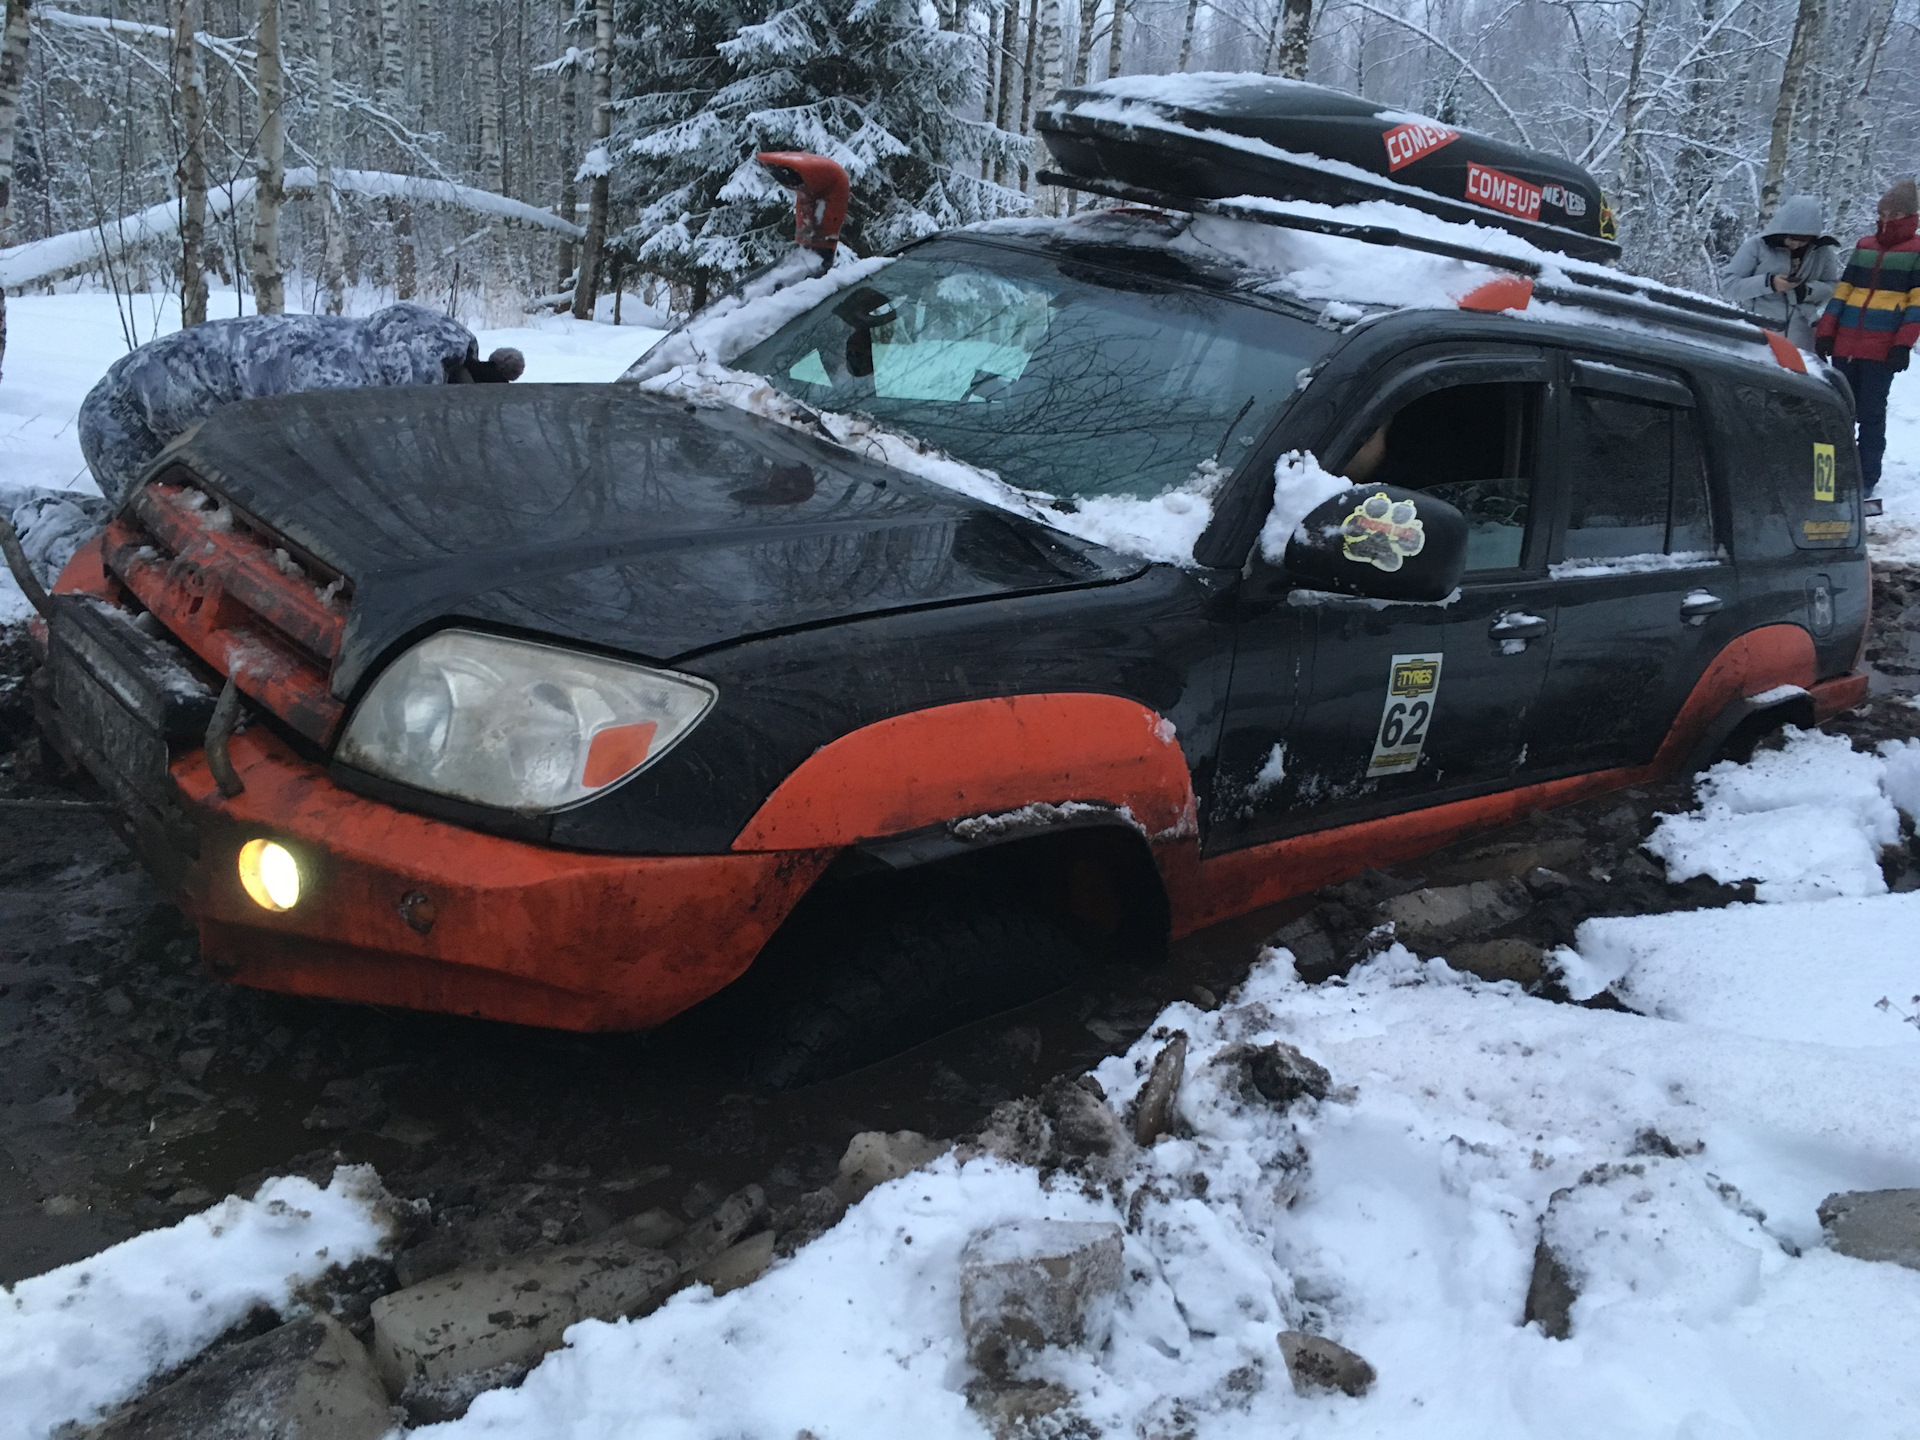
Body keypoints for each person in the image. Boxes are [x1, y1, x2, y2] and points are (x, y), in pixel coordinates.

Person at [77, 302, 525, 505]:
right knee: (143, 548)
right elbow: (314, 486)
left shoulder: (390, 353)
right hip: (123, 418)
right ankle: (32, 524)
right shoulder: (339, 390)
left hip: (175, 408)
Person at [1815, 178, 1920, 495]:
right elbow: (1842, 292)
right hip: (1845, 343)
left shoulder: (1916, 251)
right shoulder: (1864, 246)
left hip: (1881, 349)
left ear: (1910, 216)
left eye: (1896, 213)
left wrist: (1902, 344)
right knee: (1835, 411)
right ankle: (1828, 477)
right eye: (1884, 211)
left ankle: (1865, 479)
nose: (1887, 218)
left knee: (1871, 415)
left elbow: (1917, 304)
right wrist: (1826, 331)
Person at [1721, 194, 1841, 349]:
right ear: (1782, 230)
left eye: (1804, 240)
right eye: (1792, 238)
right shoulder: (1757, 246)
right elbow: (1729, 287)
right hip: (1758, 336)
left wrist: (1807, 291)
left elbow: (1833, 288)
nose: (1797, 244)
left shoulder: (1822, 252)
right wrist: (1769, 283)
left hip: (1801, 341)